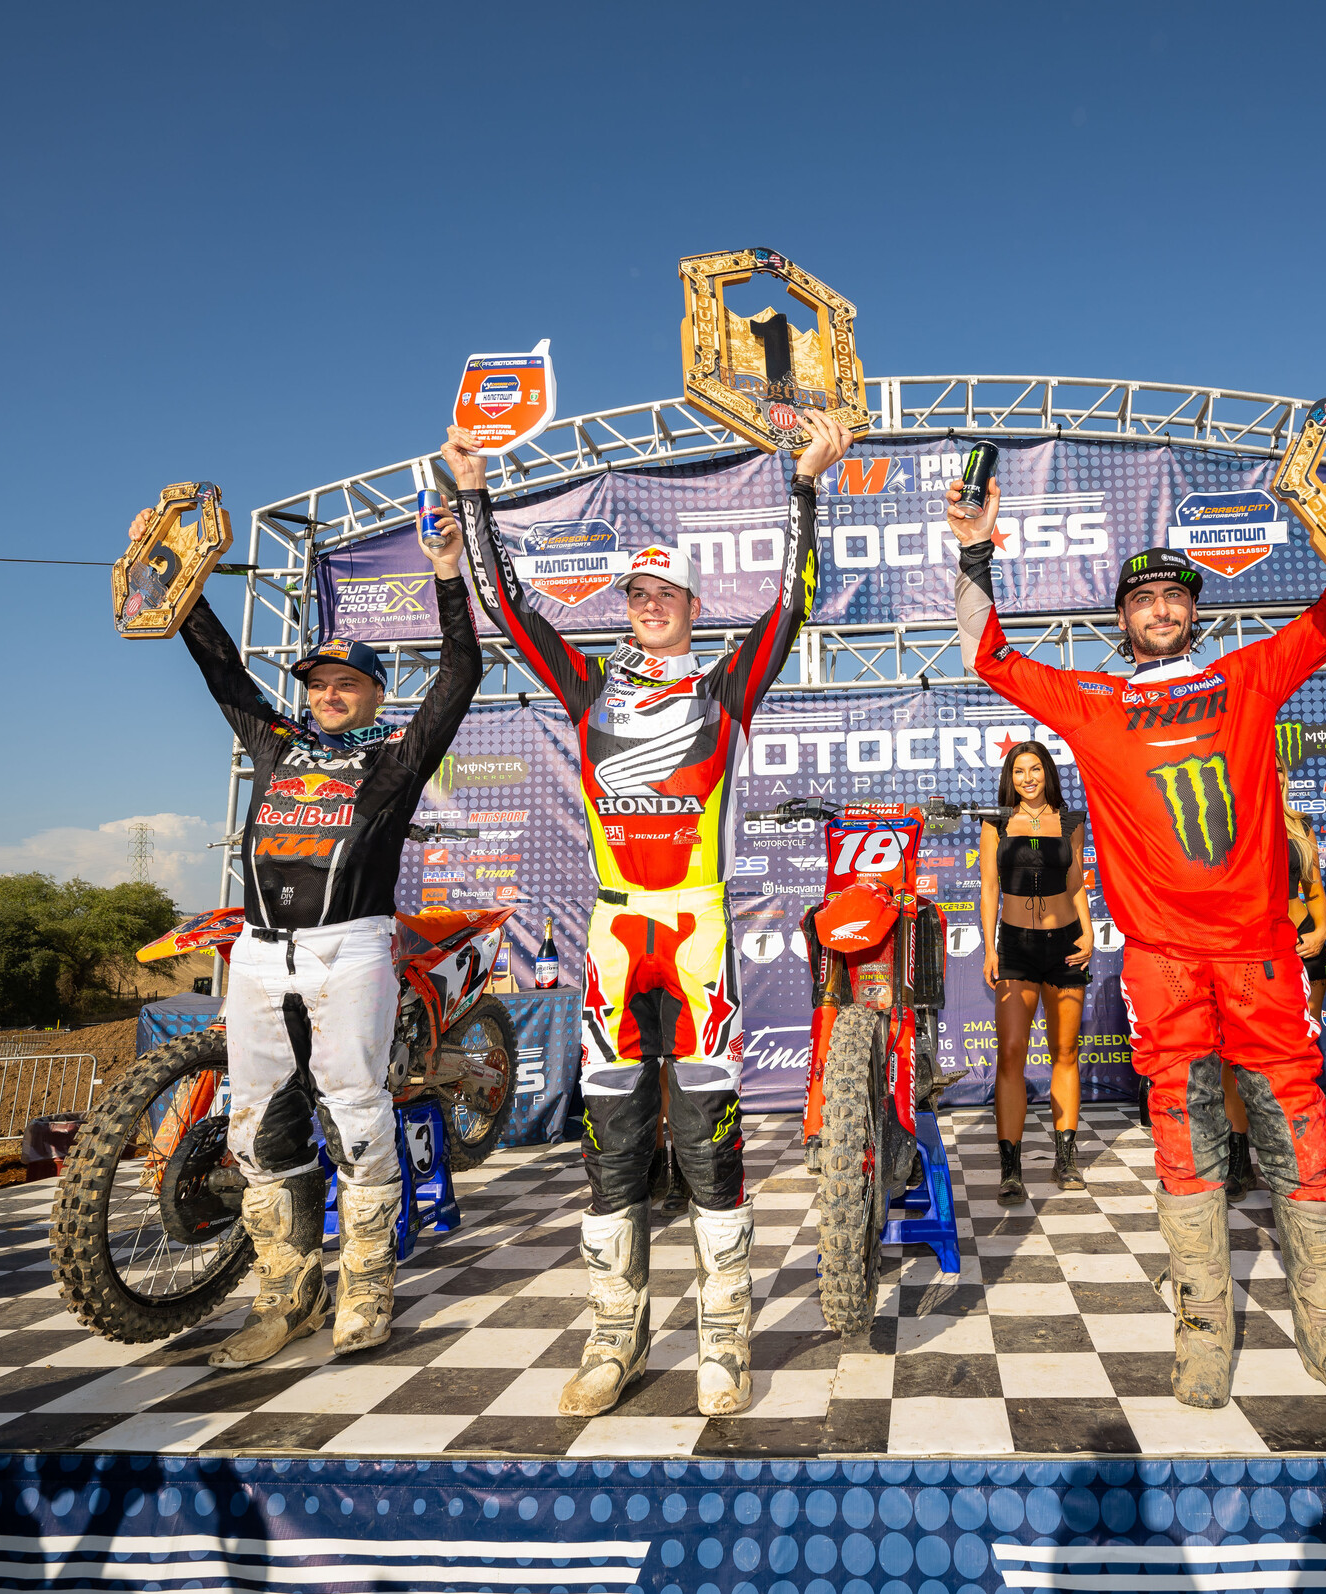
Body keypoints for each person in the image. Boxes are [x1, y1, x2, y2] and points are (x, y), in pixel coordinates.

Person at [944, 394, 1326, 1419]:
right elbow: (984, 656)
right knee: (1183, 1137)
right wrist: (976, 551)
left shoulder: (1247, 676)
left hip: (1259, 952)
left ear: (1195, 609)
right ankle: (1204, 1333)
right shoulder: (1094, 702)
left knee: (1300, 1132)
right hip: (1163, 961)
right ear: (1121, 621)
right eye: (1143, 599)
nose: (1162, 609)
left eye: (1175, 595)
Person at [446, 411, 844, 1419]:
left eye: (667, 593)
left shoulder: (726, 686)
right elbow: (508, 608)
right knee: (611, 1142)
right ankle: (612, 1333)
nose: (651, 604)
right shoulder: (587, 687)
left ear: (694, 608)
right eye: (637, 593)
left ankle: (725, 1334)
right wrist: (475, 494)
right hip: (617, 937)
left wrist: (805, 483)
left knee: (709, 1140)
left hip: (697, 934)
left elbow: (794, 602)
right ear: (625, 609)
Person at [163, 487, 479, 1369]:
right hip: (261, 956)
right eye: (318, 683)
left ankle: (366, 1290)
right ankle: (286, 1298)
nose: (329, 694)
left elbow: (460, 674)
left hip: (353, 950)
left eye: (347, 683)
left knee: (358, 1120)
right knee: (258, 1128)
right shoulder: (274, 744)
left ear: (375, 694)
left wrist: (448, 575)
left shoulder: (395, 759)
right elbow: (223, 672)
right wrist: (180, 583)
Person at [978, 741, 1093, 1205]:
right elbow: (989, 888)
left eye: (1036, 769)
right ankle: (1011, 1169)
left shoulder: (1071, 821)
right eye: (1019, 771)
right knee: (1011, 1054)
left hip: (1065, 945)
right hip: (1015, 948)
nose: (1028, 778)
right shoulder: (996, 823)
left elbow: (1077, 881)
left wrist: (1088, 933)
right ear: (1011, 778)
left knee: (1065, 1052)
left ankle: (1065, 1160)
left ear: (1048, 773)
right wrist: (990, 948)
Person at [1224, 799, 1326, 1199]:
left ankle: (1301, 1152)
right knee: (1235, 1053)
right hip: (1248, 944)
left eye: (1281, 771)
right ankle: (1239, 1157)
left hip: (1301, 942)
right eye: (1269, 770)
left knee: (1299, 1053)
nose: (1276, 777)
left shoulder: (1301, 827)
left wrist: (1320, 931)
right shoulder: (1229, 821)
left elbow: (1314, 890)